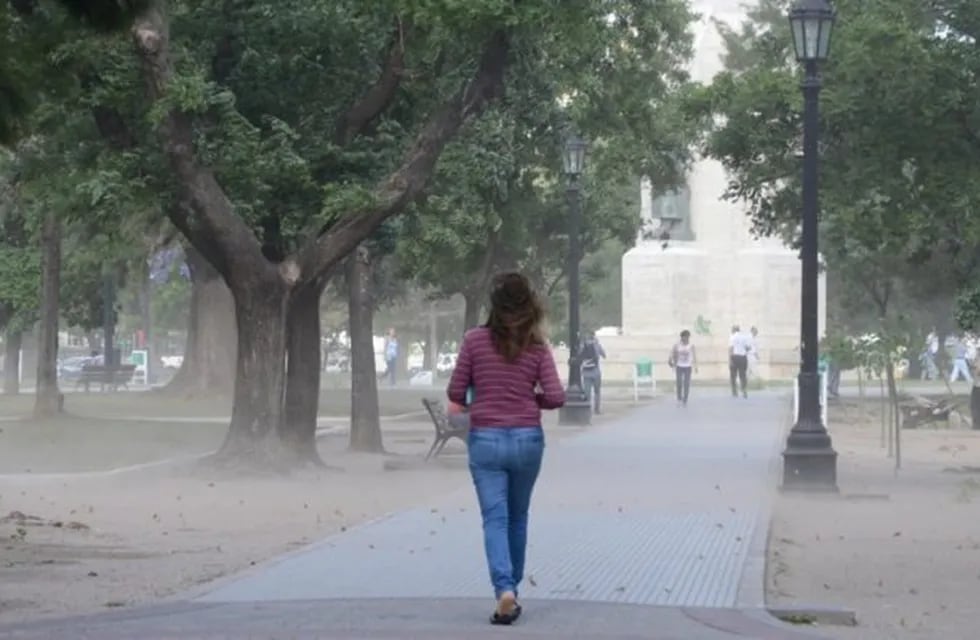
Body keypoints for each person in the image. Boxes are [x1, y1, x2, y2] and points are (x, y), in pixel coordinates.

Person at [447, 272, 565, 625]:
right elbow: (557, 397)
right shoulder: (537, 347)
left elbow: (456, 392)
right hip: (527, 439)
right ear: (529, 304)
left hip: (486, 440)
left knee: (494, 519)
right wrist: (529, 399)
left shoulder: (474, 341)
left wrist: (482, 394)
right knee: (518, 517)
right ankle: (512, 586)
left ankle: (504, 591)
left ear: (493, 306)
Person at [579, 331, 606, 414]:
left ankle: (587, 409)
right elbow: (604, 355)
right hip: (596, 372)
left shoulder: (582, 345)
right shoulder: (597, 345)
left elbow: (579, 355)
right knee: (597, 391)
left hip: (586, 372)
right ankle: (597, 409)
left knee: (587, 392)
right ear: (593, 336)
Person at [668, 330, 696, 406]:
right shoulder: (677, 345)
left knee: (686, 383)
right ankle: (679, 397)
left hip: (688, 367)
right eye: (685, 337)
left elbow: (694, 355)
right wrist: (670, 360)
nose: (686, 339)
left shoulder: (691, 345)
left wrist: (695, 366)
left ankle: (685, 398)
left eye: (687, 337)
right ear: (682, 337)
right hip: (679, 366)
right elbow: (672, 352)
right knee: (679, 382)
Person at [729, 325, 751, 398]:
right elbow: (747, 348)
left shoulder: (732, 337)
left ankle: (734, 391)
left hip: (735, 357)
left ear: (734, 330)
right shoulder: (744, 337)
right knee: (743, 375)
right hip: (743, 358)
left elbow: (731, 348)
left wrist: (730, 360)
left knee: (733, 376)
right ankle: (744, 390)